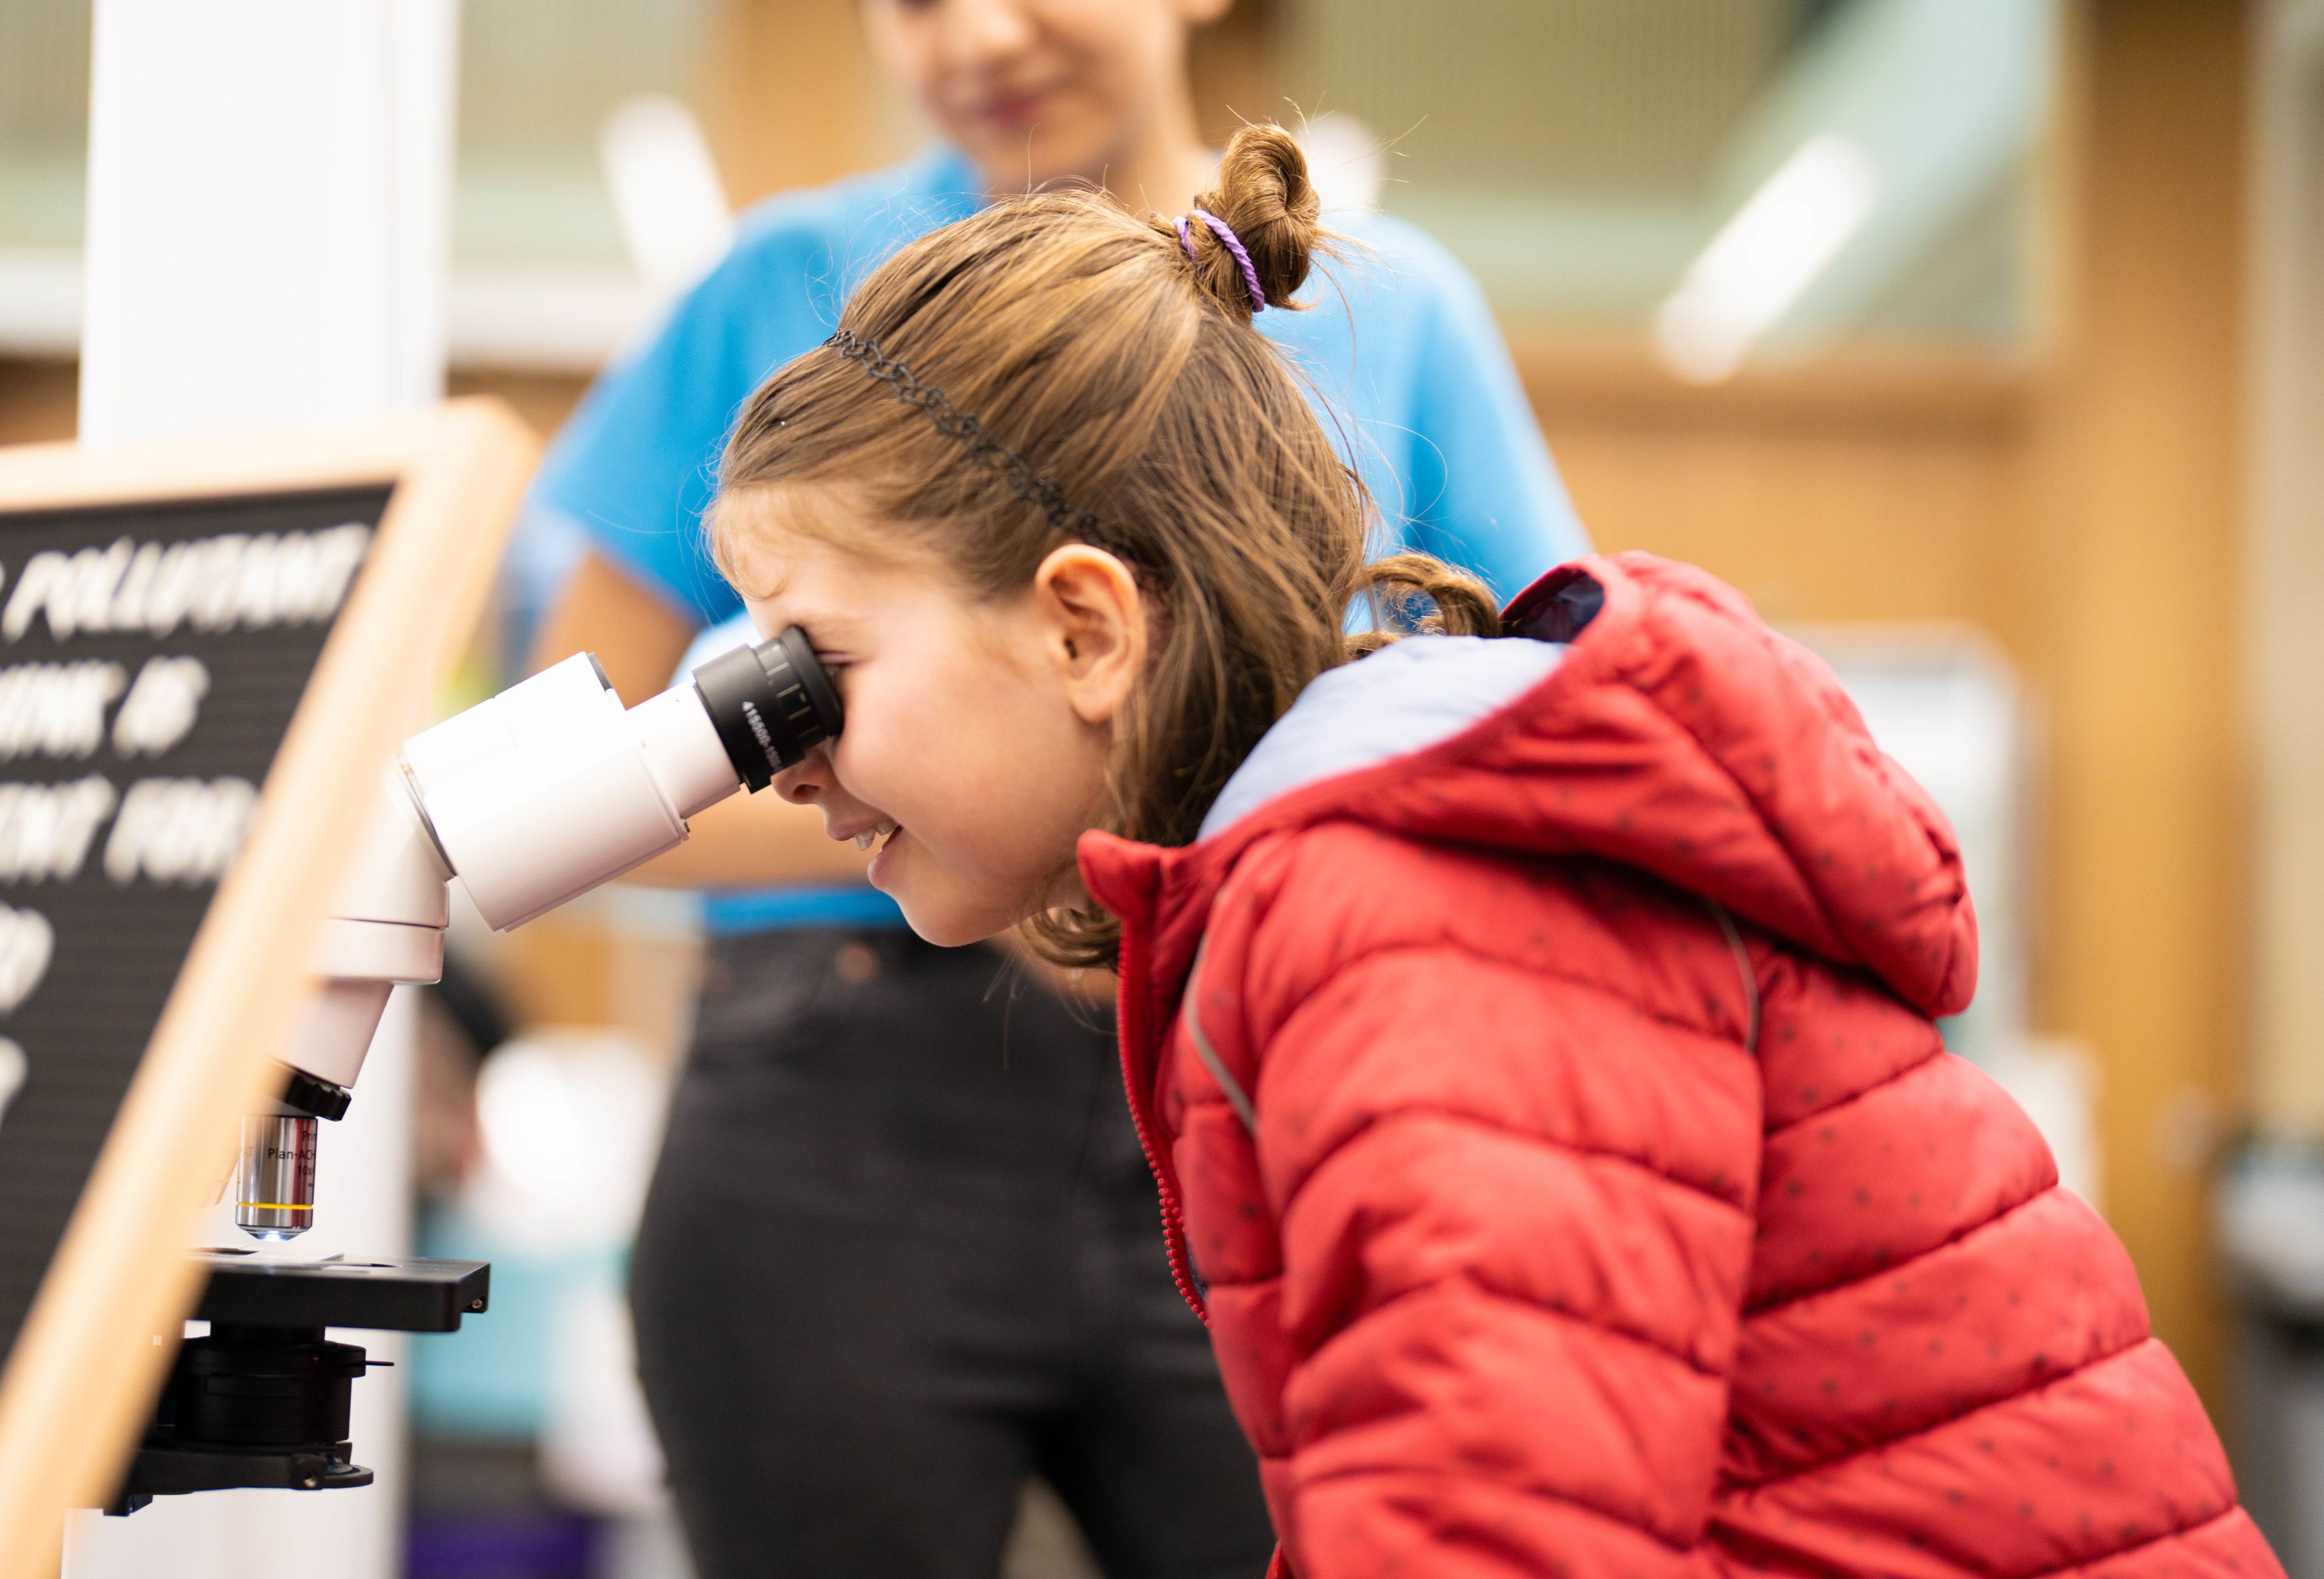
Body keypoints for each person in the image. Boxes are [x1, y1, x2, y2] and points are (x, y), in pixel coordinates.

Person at [703, 125, 2286, 1578]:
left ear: (1082, 630)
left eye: (811, 671)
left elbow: (1491, 1529)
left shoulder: (1399, 899)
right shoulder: (1362, 852)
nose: (780, 766)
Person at [517, 5, 1586, 1577]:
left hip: (1250, 1065)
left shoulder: (1393, 308)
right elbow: (566, 765)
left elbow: (1531, 710)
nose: (979, 35)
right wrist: (959, 836)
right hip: (843, 1102)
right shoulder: (779, 281)